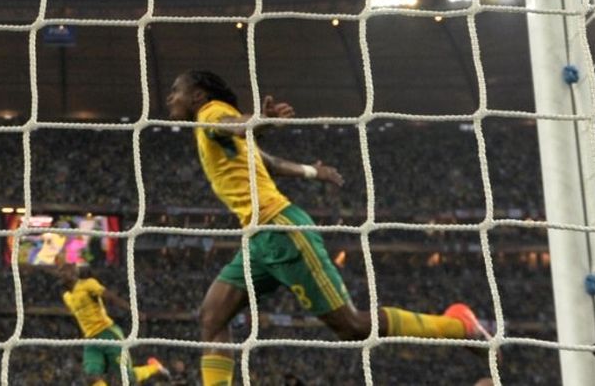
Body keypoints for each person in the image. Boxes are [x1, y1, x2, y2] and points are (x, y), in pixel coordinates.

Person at [166, 70, 489, 386]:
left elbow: (235, 125)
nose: (170, 98)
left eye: (176, 91)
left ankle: (457, 325)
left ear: (197, 96)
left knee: (352, 327)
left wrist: (259, 120)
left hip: (281, 230)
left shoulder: (211, 113)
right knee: (212, 317)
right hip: (259, 238)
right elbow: (268, 162)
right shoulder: (215, 132)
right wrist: (310, 171)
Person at [56, 263, 170, 386]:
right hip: (91, 340)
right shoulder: (67, 296)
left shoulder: (88, 284)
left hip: (107, 333)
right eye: (60, 271)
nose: (61, 274)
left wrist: (134, 311)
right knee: (91, 377)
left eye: (64, 271)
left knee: (127, 378)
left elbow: (110, 297)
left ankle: (154, 368)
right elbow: (80, 318)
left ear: (74, 273)